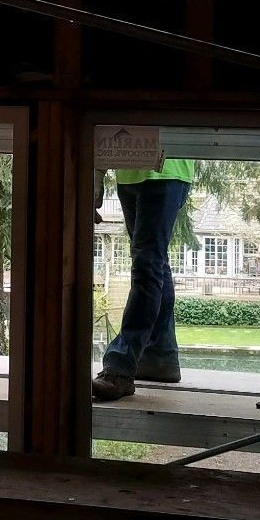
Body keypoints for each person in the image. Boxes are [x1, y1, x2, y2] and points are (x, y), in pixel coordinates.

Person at [93, 155, 196, 401]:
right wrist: (97, 172)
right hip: (128, 172)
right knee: (154, 264)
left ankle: (120, 366)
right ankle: (160, 357)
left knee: (147, 263)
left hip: (167, 169)